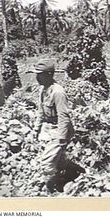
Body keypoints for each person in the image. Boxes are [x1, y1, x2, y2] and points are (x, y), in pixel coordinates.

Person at [32, 59, 84, 194]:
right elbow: (40, 112)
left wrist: (62, 137)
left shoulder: (58, 92)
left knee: (47, 162)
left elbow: (64, 116)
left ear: (49, 74)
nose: (37, 77)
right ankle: (75, 172)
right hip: (48, 128)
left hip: (59, 129)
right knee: (59, 161)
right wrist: (36, 129)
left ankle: (50, 189)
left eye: (40, 74)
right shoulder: (43, 90)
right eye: (37, 74)